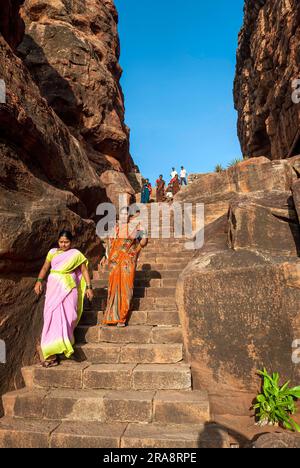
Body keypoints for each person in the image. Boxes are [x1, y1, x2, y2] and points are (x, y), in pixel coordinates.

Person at [34, 230, 94, 367]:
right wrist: (38, 281)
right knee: (51, 316)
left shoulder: (76, 254)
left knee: (70, 316)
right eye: (61, 242)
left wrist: (89, 287)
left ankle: (63, 343)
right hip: (54, 287)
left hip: (69, 287)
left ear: (71, 242)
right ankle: (50, 353)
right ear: (58, 241)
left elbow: (84, 270)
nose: (63, 244)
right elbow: (45, 267)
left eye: (66, 242)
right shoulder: (52, 252)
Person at [99, 207, 148, 327]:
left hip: (127, 262)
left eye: (126, 214)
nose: (124, 216)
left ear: (129, 216)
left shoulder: (135, 228)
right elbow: (109, 246)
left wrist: (144, 232)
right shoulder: (114, 229)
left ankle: (122, 318)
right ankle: (112, 316)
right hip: (114, 263)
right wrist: (104, 257)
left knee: (127, 288)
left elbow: (143, 243)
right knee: (113, 288)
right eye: (121, 214)